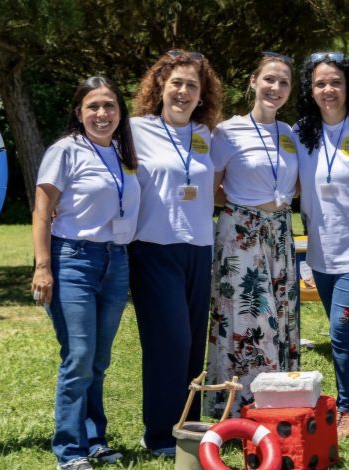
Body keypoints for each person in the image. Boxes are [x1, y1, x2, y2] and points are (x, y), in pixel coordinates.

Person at [31, 76, 139, 470]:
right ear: (79, 112)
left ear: (120, 111)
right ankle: (69, 451)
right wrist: (43, 267)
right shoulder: (65, 151)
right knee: (78, 356)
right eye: (93, 106)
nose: (102, 113)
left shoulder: (123, 154)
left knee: (99, 359)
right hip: (72, 260)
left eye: (109, 105)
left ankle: (95, 440)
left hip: (116, 262)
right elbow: (42, 211)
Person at [128, 49, 223, 457]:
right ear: (159, 88)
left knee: (192, 347)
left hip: (199, 250)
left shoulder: (207, 136)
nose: (183, 92)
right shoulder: (134, 130)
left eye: (192, 86)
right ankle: (159, 435)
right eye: (176, 84)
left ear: (202, 95)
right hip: (153, 248)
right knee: (170, 342)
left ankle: (188, 428)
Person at [204, 52, 300, 417]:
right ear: (253, 81)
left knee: (280, 316)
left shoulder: (289, 134)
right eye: (269, 80)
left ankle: (278, 401)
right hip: (242, 234)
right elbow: (213, 189)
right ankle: (238, 407)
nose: (275, 88)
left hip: (279, 234)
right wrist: (247, 210)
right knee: (247, 318)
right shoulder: (227, 132)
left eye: (284, 82)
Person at [294, 52, 349, 438]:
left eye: (335, 82)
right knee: (340, 332)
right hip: (321, 252)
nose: (328, 90)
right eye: (320, 83)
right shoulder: (300, 132)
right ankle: (347, 401)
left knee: (341, 330)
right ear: (310, 90)